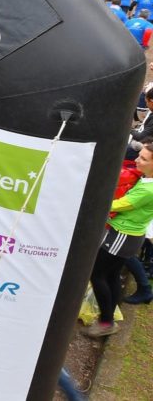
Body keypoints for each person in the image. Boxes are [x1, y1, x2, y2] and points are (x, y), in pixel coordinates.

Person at [85, 143, 153, 337]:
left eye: (144, 159)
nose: (137, 160)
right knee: (112, 275)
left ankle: (106, 322)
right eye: (140, 156)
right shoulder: (146, 179)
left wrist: (92, 200)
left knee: (97, 274)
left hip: (122, 236)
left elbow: (116, 205)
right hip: (129, 236)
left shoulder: (148, 190)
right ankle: (108, 316)